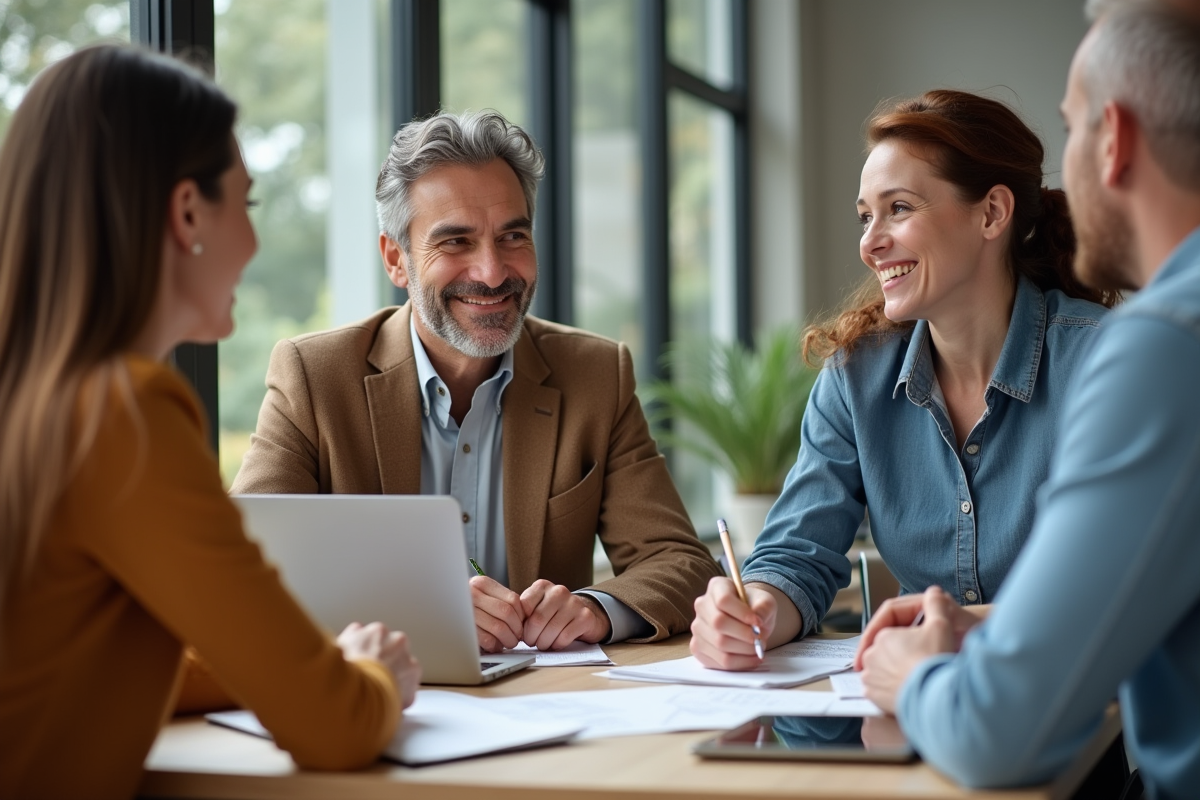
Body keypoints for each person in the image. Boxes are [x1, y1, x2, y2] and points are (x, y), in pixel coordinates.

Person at [0, 45, 421, 799]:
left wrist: (296, 663)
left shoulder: (34, 399)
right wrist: (369, 675)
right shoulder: (123, 410)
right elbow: (337, 728)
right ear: (189, 211)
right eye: (247, 204)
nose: (254, 244)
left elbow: (94, 655)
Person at [856, 5, 1200, 798]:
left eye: (1073, 130)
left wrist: (913, 676)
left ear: (1114, 141)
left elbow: (998, 736)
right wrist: (1000, 629)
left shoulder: (1159, 348)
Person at [231, 110, 721, 653]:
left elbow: (680, 562)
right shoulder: (315, 377)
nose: (491, 272)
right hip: (384, 701)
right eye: (456, 242)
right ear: (396, 259)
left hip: (548, 711)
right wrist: (414, 607)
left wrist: (593, 609)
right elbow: (240, 569)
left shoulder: (596, 375)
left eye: (513, 235)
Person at [690, 89, 1116, 670]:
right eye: (866, 216)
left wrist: (972, 626)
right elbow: (796, 555)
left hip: (1082, 722)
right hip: (912, 717)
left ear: (992, 212)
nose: (870, 243)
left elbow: (1128, 579)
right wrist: (755, 611)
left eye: (900, 208)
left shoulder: (1106, 360)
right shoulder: (853, 379)